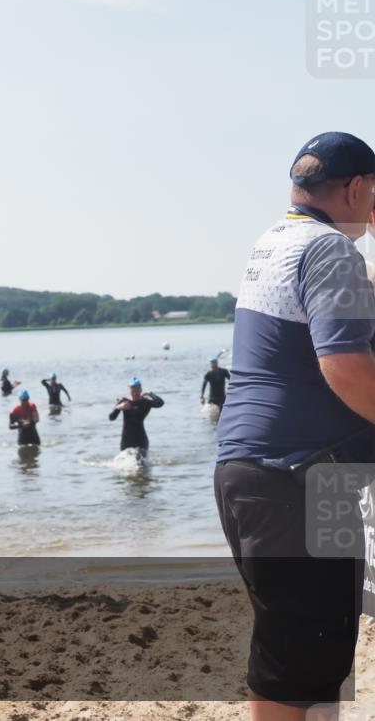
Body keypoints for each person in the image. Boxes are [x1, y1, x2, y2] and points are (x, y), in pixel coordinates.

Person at [215, 131, 375, 718]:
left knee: (307, 655)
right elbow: (345, 365)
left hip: (254, 470)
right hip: (297, 477)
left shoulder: (278, 241)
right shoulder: (331, 250)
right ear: (357, 188)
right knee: (299, 658)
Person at [108, 377, 164, 454]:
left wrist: (150, 394)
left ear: (141, 389)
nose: (135, 392)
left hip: (141, 440)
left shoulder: (145, 402)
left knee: (141, 464)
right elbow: (111, 418)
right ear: (129, 389)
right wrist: (118, 408)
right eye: (133, 389)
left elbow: (160, 403)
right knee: (126, 464)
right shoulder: (124, 402)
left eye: (137, 389)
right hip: (126, 441)